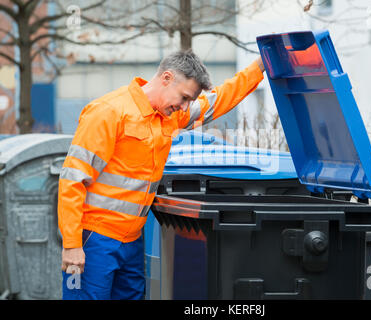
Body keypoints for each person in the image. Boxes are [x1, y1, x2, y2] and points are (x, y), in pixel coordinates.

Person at [58, 49, 265, 300]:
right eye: (184, 97)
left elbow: (216, 101)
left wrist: (259, 67)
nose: (184, 106)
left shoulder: (167, 117)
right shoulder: (108, 112)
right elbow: (72, 179)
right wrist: (71, 245)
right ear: (166, 78)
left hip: (131, 239)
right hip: (93, 239)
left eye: (189, 101)